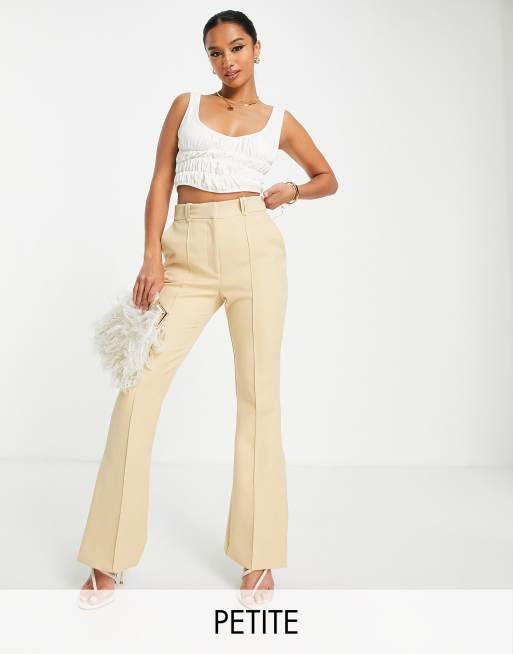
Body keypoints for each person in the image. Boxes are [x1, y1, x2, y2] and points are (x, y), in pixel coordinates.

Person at [77, 9, 339, 610]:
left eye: (237, 48)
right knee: (137, 388)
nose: (227, 62)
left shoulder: (279, 120)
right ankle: (109, 555)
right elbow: (160, 182)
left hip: (255, 249)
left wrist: (294, 191)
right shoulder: (186, 106)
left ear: (257, 49)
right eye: (216, 52)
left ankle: (259, 555)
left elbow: (328, 176)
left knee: (258, 396)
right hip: (186, 252)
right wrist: (151, 256)